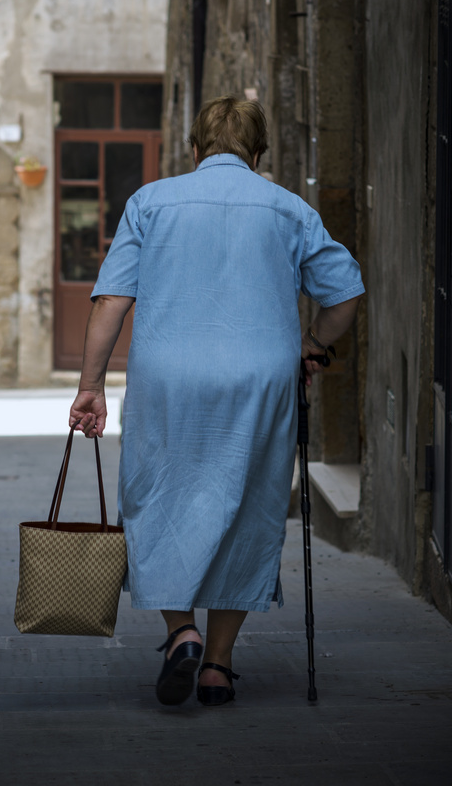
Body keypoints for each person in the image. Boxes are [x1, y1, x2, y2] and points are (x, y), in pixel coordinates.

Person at [68, 96, 365, 707]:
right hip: (260, 380)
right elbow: (345, 295)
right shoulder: (289, 209)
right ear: (258, 156)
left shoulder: (149, 202)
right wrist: (311, 343)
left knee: (155, 498)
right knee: (249, 505)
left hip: (167, 379)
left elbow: (111, 302)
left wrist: (90, 386)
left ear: (195, 150)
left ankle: (182, 634)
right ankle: (219, 667)